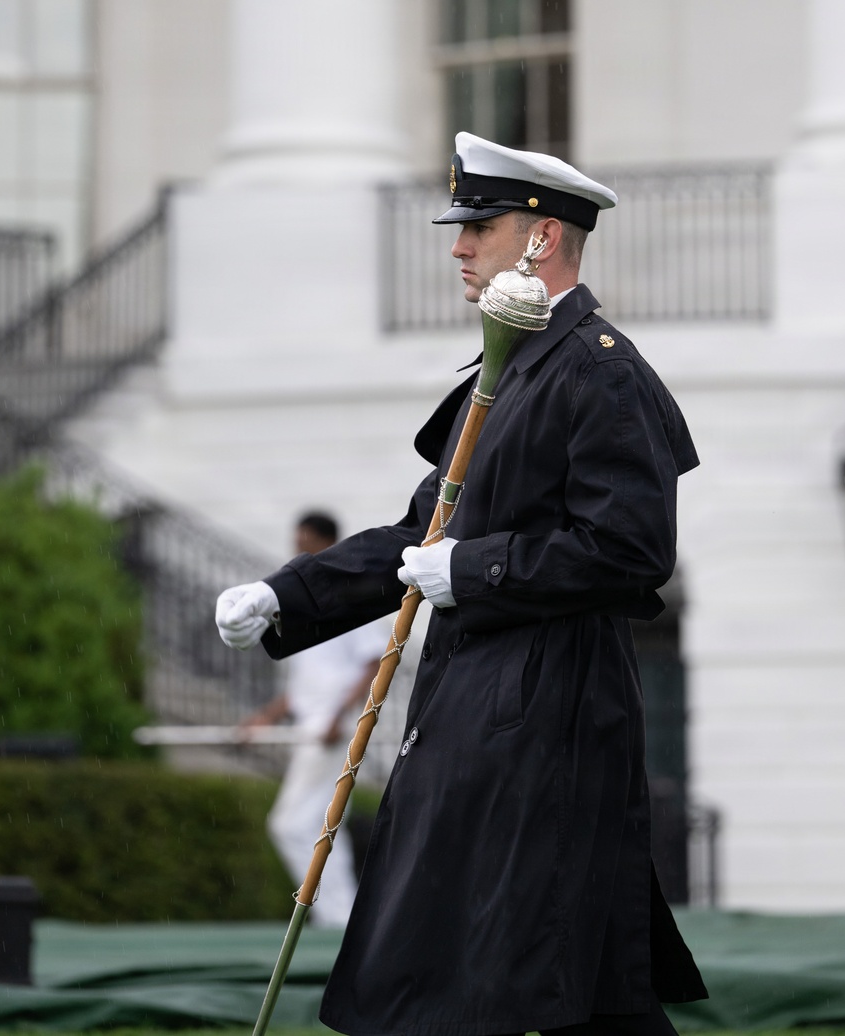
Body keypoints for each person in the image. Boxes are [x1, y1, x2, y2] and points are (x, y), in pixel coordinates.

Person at [216, 132, 708, 1036]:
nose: (458, 247)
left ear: (542, 238)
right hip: (481, 709)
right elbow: (418, 535)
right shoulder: (512, 366)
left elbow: (633, 551)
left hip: (547, 717)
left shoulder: (598, 371)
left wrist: (473, 569)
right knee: (509, 975)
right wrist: (290, 596)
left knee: (511, 974)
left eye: (479, 224)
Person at [242, 511, 387, 927]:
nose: (296, 551)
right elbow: (306, 682)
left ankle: (337, 916)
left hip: (330, 730)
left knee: (288, 824)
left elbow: (374, 663)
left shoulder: (349, 594)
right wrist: (264, 719)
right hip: (314, 726)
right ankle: (341, 919)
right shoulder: (305, 603)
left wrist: (339, 717)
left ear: (325, 543)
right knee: (322, 824)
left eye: (304, 543)